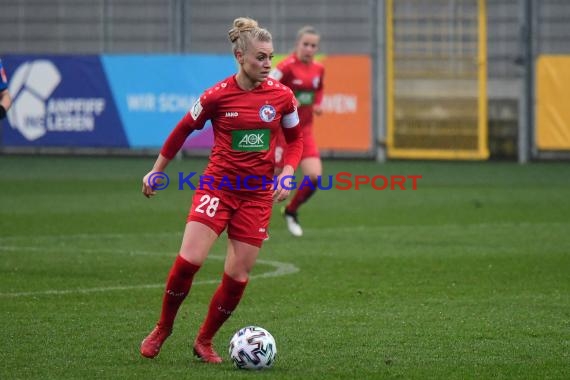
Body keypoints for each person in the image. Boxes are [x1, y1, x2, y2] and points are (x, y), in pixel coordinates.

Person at [139, 17, 303, 363]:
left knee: (237, 276)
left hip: (256, 196)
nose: (267, 64)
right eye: (260, 57)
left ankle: (204, 341)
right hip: (218, 186)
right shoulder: (216, 96)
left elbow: (295, 141)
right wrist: (156, 171)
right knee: (189, 261)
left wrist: (287, 172)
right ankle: (163, 328)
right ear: (240, 56)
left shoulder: (282, 96)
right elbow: (182, 130)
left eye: (270, 57)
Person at [270, 26, 325, 237]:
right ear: (297, 45)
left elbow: (318, 89)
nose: (309, 49)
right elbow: (267, 86)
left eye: (313, 45)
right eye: (306, 44)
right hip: (283, 132)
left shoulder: (319, 69)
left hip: (306, 131)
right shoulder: (285, 67)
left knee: (314, 177)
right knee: (273, 178)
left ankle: (291, 211)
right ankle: (256, 223)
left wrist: (318, 103)